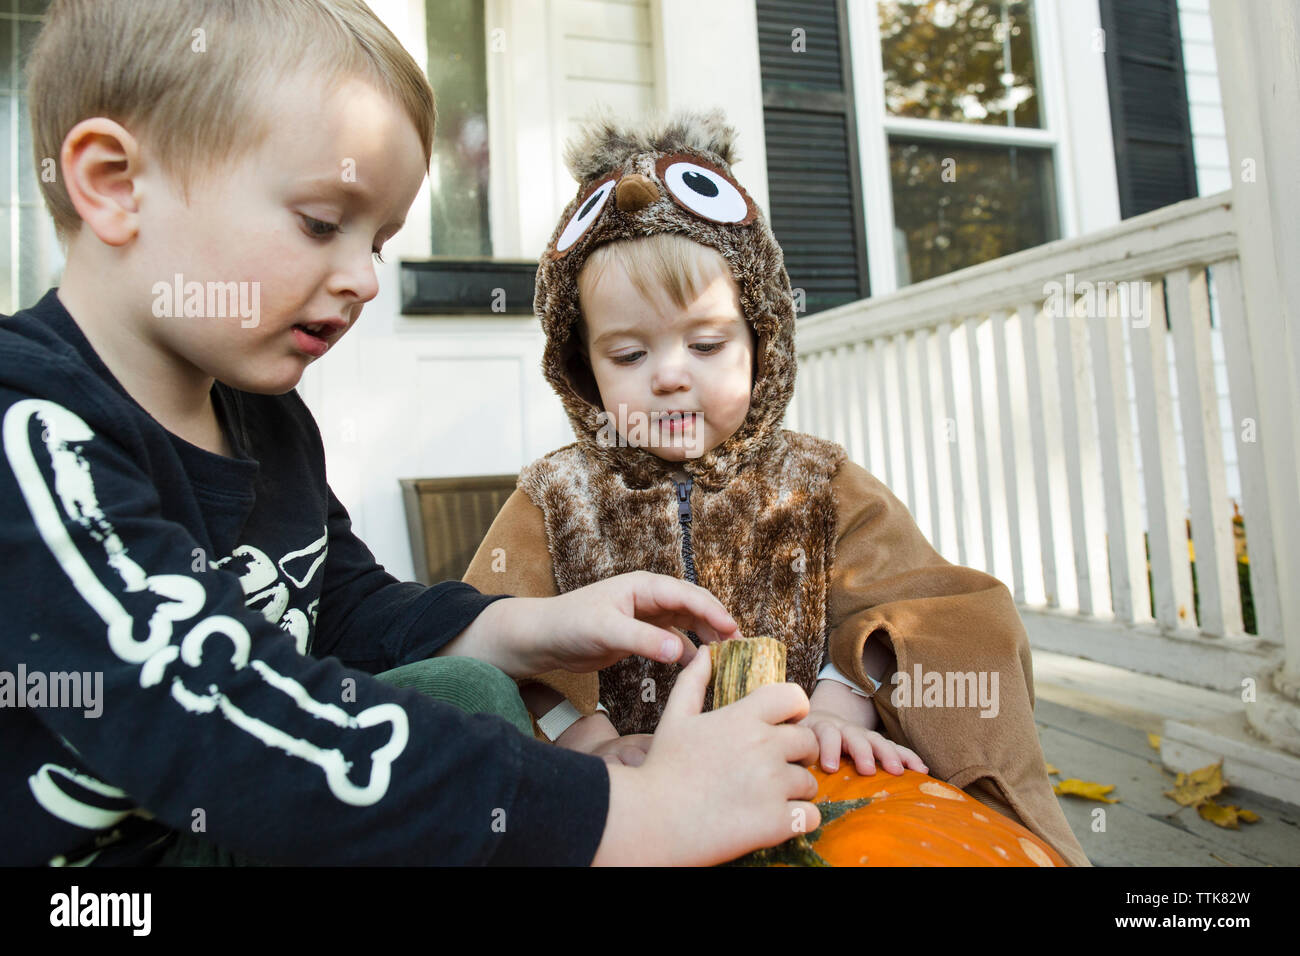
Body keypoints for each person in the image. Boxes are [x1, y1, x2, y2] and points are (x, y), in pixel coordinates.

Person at [0, 0, 825, 867]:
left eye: (382, 244)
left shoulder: (265, 419)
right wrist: (622, 816)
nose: (361, 279)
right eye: (322, 223)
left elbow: (348, 610)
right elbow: (209, 710)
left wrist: (528, 627)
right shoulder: (30, 426)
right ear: (113, 183)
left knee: (464, 685)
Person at [462, 110, 1090, 867]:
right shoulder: (555, 498)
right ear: (581, 366)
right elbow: (494, 635)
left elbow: (914, 607)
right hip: (634, 811)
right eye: (628, 353)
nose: (669, 374)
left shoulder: (818, 484)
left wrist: (840, 701)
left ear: (762, 339)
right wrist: (580, 736)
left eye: (705, 343)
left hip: (809, 779)